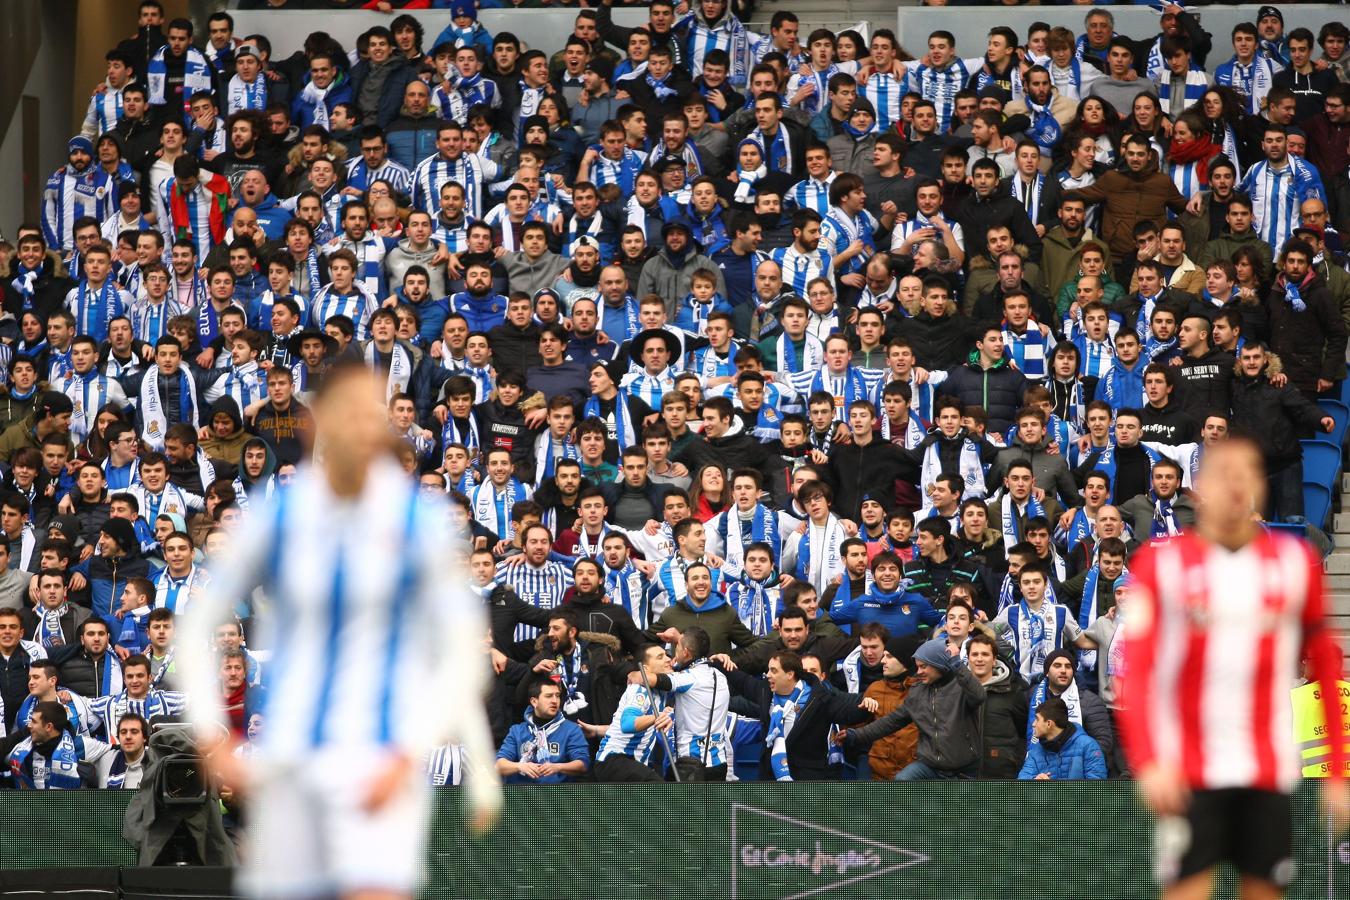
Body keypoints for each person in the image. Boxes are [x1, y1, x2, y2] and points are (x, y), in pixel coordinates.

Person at [181, 361, 501, 900]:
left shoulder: (415, 521)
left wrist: (425, 755)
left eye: (372, 413)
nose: (363, 425)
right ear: (317, 422)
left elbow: (460, 654)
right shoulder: (279, 515)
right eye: (349, 412)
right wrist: (210, 736)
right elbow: (196, 626)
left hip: (381, 757)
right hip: (289, 759)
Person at [1123, 439, 1350, 900]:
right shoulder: (1161, 564)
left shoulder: (1292, 564)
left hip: (1266, 768)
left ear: (1259, 489)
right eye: (1223, 473)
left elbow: (1325, 659)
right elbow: (1138, 670)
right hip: (1187, 769)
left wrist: (1338, 773)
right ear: (1199, 487)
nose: (1235, 484)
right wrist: (1147, 761)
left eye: (1246, 473)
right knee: (1187, 890)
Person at [840, 637, 986, 781]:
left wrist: (956, 662)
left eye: (924, 667)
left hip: (963, 770)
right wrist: (855, 735)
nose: (919, 672)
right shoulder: (917, 692)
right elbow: (890, 722)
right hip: (930, 767)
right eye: (917, 667)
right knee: (903, 780)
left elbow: (979, 695)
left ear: (939, 665)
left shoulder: (961, 687)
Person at [495, 679, 590, 784]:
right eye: (549, 696)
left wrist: (558, 767)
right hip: (522, 795)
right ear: (534, 701)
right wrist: (520, 766)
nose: (555, 700)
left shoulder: (571, 729)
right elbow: (499, 765)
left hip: (558, 795)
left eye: (557, 695)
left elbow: (583, 764)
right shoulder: (516, 731)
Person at [1017, 696, 1108, 781]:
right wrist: (1034, 781)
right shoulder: (1036, 749)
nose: (1033, 724)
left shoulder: (1088, 746)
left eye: (1037, 719)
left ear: (1049, 724)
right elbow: (1022, 781)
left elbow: (1097, 788)